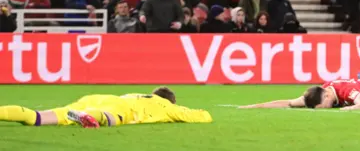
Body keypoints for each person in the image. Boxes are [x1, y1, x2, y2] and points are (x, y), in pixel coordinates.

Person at [0, 87, 211, 128]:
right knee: (111, 118)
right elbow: (201, 116)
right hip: (115, 107)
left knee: (38, 117)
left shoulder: (135, 93)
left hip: (99, 97)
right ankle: (87, 117)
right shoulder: (165, 105)